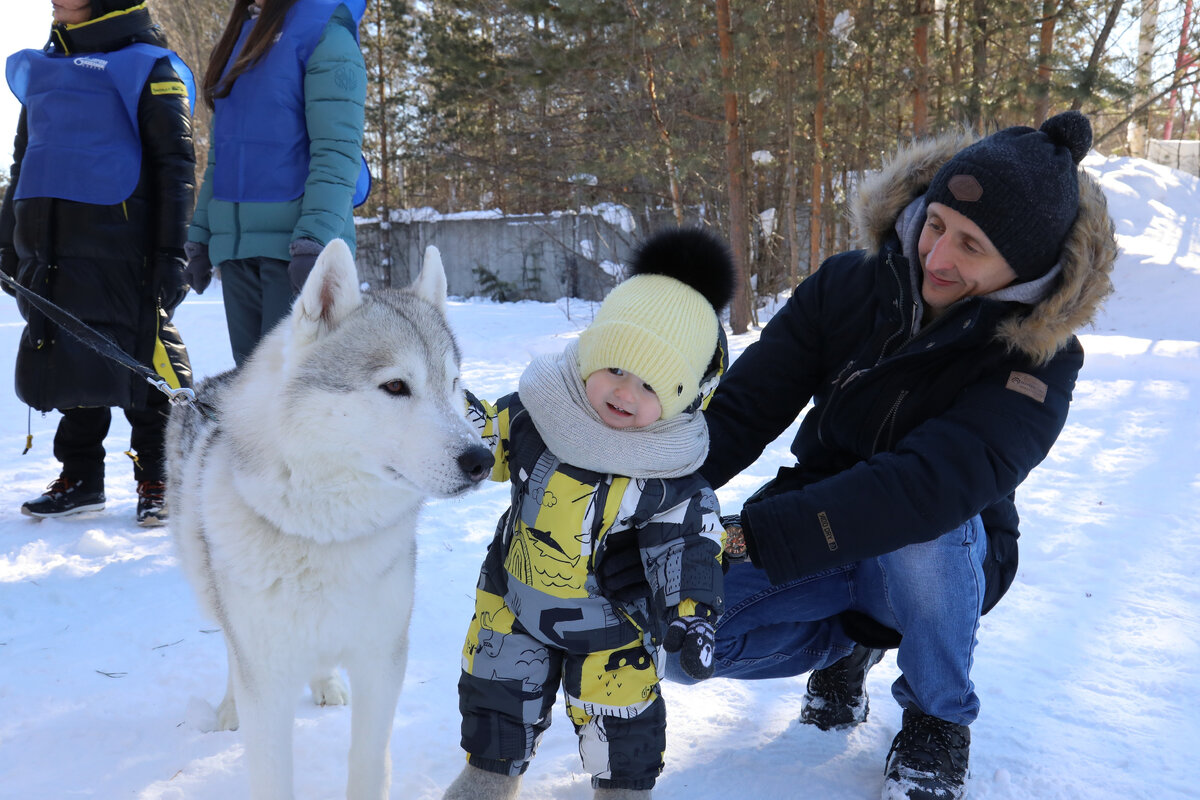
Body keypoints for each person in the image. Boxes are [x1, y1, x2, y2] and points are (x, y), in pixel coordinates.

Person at [657, 112, 1117, 799]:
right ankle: (847, 645)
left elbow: (929, 487)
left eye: (971, 246)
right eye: (936, 225)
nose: (937, 258)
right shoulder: (848, 284)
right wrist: (649, 500)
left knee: (919, 533)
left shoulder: (1039, 358)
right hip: (820, 523)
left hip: (944, 552)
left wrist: (753, 535)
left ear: (1024, 268)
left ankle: (937, 721)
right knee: (681, 642)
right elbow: (742, 410)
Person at [444, 228, 734, 800]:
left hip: (613, 627)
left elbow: (691, 543)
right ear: (592, 354)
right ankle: (488, 777)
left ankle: (621, 790)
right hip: (515, 602)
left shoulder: (667, 474)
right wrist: (446, 412)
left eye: (653, 384)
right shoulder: (539, 414)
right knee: (497, 698)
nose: (625, 392)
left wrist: (693, 612)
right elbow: (483, 438)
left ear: (682, 396)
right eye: (616, 368)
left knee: (623, 723)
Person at [0, 0, 196, 526]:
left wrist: (172, 252)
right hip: (52, 248)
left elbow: (176, 165)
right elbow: (25, 159)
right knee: (67, 355)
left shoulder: (148, 64)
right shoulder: (44, 69)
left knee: (140, 361)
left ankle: (160, 478)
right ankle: (81, 477)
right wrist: (6, 238)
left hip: (126, 248)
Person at [185, 0, 368, 367]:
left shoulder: (326, 35)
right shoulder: (242, 37)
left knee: (293, 394)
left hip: (295, 255)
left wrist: (314, 241)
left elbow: (337, 151)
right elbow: (222, 156)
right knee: (252, 397)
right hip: (238, 255)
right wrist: (201, 237)